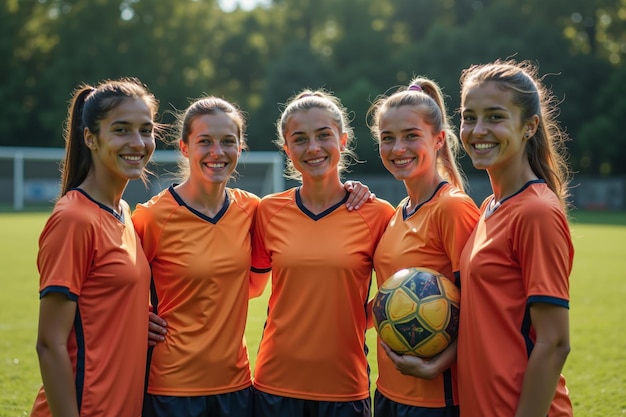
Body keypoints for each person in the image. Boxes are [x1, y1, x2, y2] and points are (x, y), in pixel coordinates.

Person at [134, 95, 374, 417]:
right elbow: (118, 283)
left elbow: (253, 287)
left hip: (237, 387)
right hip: (173, 388)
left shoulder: (251, 209)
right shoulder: (151, 217)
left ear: (240, 146)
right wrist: (135, 316)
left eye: (227, 142)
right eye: (205, 141)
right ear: (184, 147)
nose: (217, 153)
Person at [250, 89, 395, 417]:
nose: (312, 148)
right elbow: (244, 285)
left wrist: (355, 320)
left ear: (343, 140)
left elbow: (394, 295)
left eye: (323, 136)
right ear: (287, 150)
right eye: (299, 139)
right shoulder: (268, 211)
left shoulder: (378, 214)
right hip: (274, 387)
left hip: (345, 388)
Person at [30, 78, 159, 417]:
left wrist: (134, 321)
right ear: (91, 138)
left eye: (146, 130)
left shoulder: (123, 212)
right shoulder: (74, 218)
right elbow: (50, 344)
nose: (138, 142)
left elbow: (99, 302)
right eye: (121, 130)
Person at [457, 59, 574, 417]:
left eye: (495, 116)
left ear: (529, 126)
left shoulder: (535, 212)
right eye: (468, 116)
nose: (478, 129)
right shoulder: (490, 206)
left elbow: (554, 343)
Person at [366, 77, 480, 417]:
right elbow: (389, 300)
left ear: (438, 139)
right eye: (388, 138)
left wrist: (438, 365)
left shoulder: (453, 208)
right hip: (387, 390)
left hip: (436, 399)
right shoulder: (397, 211)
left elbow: (481, 309)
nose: (398, 148)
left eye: (411, 136)